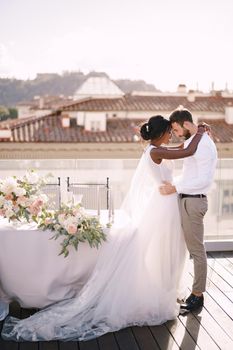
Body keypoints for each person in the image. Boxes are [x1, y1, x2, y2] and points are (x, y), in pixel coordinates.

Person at [2, 116, 206, 342]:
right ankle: (155, 296)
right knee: (160, 250)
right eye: (169, 131)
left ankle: (164, 291)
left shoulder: (158, 148)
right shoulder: (155, 152)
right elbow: (187, 152)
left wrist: (192, 136)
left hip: (165, 205)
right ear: (160, 134)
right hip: (162, 206)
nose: (171, 135)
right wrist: (200, 133)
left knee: (166, 251)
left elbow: (181, 147)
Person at [159, 108, 217, 313]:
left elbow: (203, 180)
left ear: (185, 124)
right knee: (188, 248)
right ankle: (190, 292)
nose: (174, 133)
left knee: (197, 250)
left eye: (175, 129)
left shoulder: (204, 145)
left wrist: (174, 188)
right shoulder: (196, 140)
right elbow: (184, 164)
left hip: (194, 202)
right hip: (186, 199)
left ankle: (197, 296)